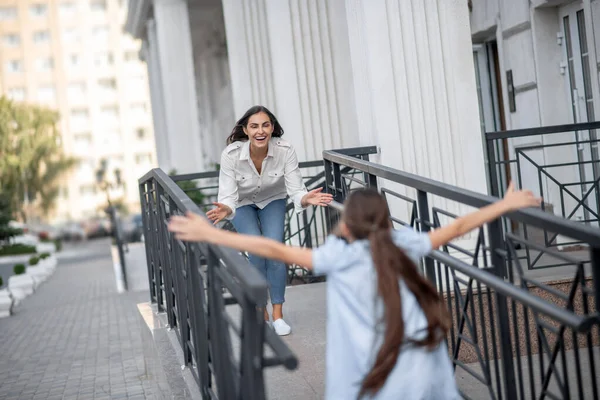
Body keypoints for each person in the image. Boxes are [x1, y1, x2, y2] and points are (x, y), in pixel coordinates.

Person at [169, 183, 540, 399]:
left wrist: (213, 234)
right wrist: (504, 205)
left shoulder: (338, 256)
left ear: (347, 225)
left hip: (368, 368)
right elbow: (456, 228)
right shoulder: (402, 242)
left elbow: (276, 250)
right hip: (415, 363)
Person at [206, 105, 332, 336]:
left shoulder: (285, 150)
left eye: (265, 125)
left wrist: (305, 197)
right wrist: (226, 208)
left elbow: (295, 188)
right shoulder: (231, 154)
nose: (260, 131)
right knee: (256, 250)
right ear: (245, 130)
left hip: (273, 199)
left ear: (272, 128)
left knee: (274, 250)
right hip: (241, 203)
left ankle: (277, 314)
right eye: (254, 126)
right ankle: (259, 309)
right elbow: (227, 194)